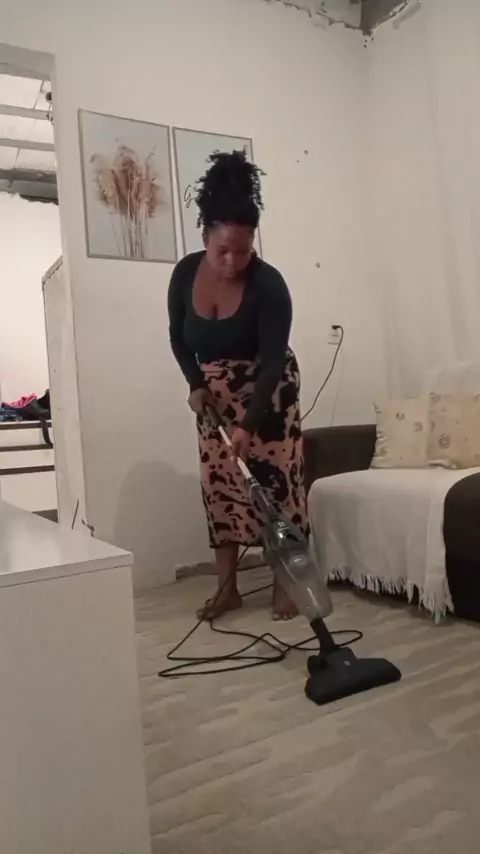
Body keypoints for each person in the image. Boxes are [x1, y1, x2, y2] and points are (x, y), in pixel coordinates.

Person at [168, 150, 307, 620]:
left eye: (243, 251)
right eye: (222, 250)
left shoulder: (269, 286)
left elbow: (272, 363)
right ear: (204, 237)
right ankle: (227, 588)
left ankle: (285, 583)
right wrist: (195, 384)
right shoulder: (184, 275)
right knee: (220, 489)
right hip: (215, 402)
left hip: (269, 395)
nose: (232, 262)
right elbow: (178, 338)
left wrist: (249, 424)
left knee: (275, 489)